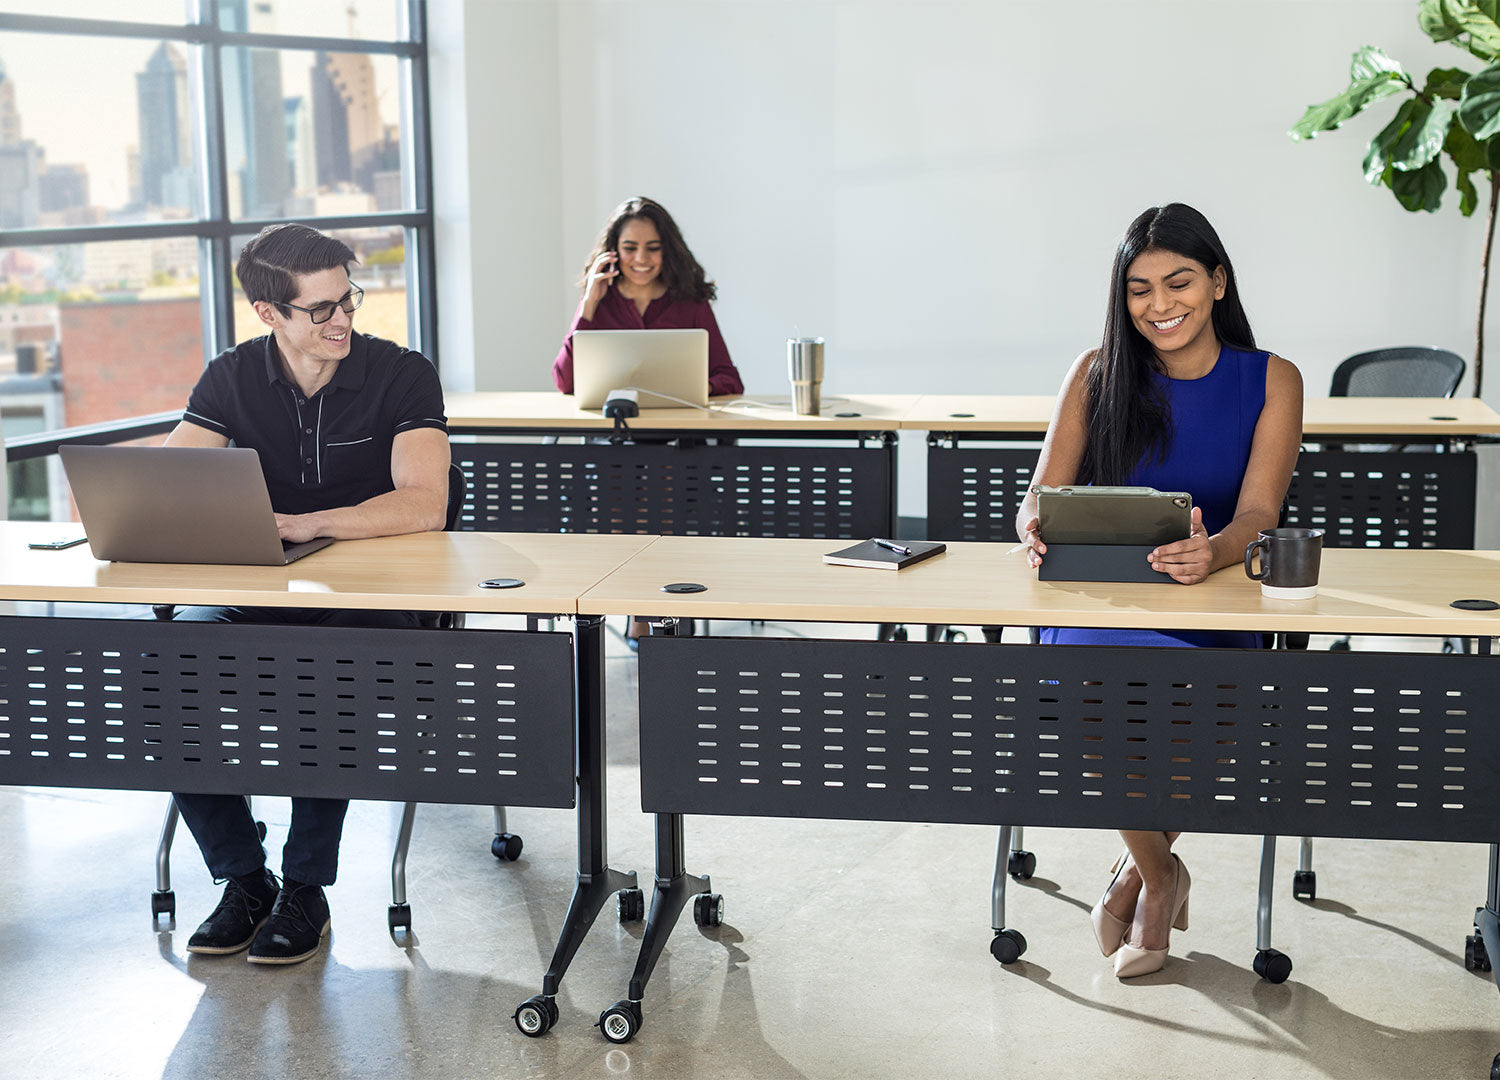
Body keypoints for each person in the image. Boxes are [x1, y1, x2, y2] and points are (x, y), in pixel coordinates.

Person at [1014, 203, 1302, 978]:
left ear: (1217, 281)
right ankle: (1163, 872)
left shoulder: (1272, 378)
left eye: (1178, 282)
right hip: (1100, 603)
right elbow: (1038, 495)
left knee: (1197, 721)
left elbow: (1259, 515)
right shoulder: (1096, 370)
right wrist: (1033, 525)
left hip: (1213, 597)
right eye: (1139, 289)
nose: (1160, 304)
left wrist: (1212, 555)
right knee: (1084, 704)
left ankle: (1143, 874)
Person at [166, 223, 451, 965]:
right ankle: (242, 879)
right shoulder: (230, 376)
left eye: (346, 299)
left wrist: (309, 522)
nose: (342, 319)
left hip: (372, 602)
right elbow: (169, 485)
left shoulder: (402, 373)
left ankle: (304, 885)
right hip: (260, 587)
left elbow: (426, 502)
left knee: (328, 669)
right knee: (169, 665)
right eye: (320, 309)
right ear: (269, 314)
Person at [552, 196, 744, 397]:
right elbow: (565, 382)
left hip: (676, 424)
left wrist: (698, 389)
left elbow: (730, 380)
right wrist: (589, 303)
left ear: (667, 250)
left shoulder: (691, 302)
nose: (641, 258)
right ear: (613, 250)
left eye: (653, 248)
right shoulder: (598, 302)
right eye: (629, 248)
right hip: (612, 424)